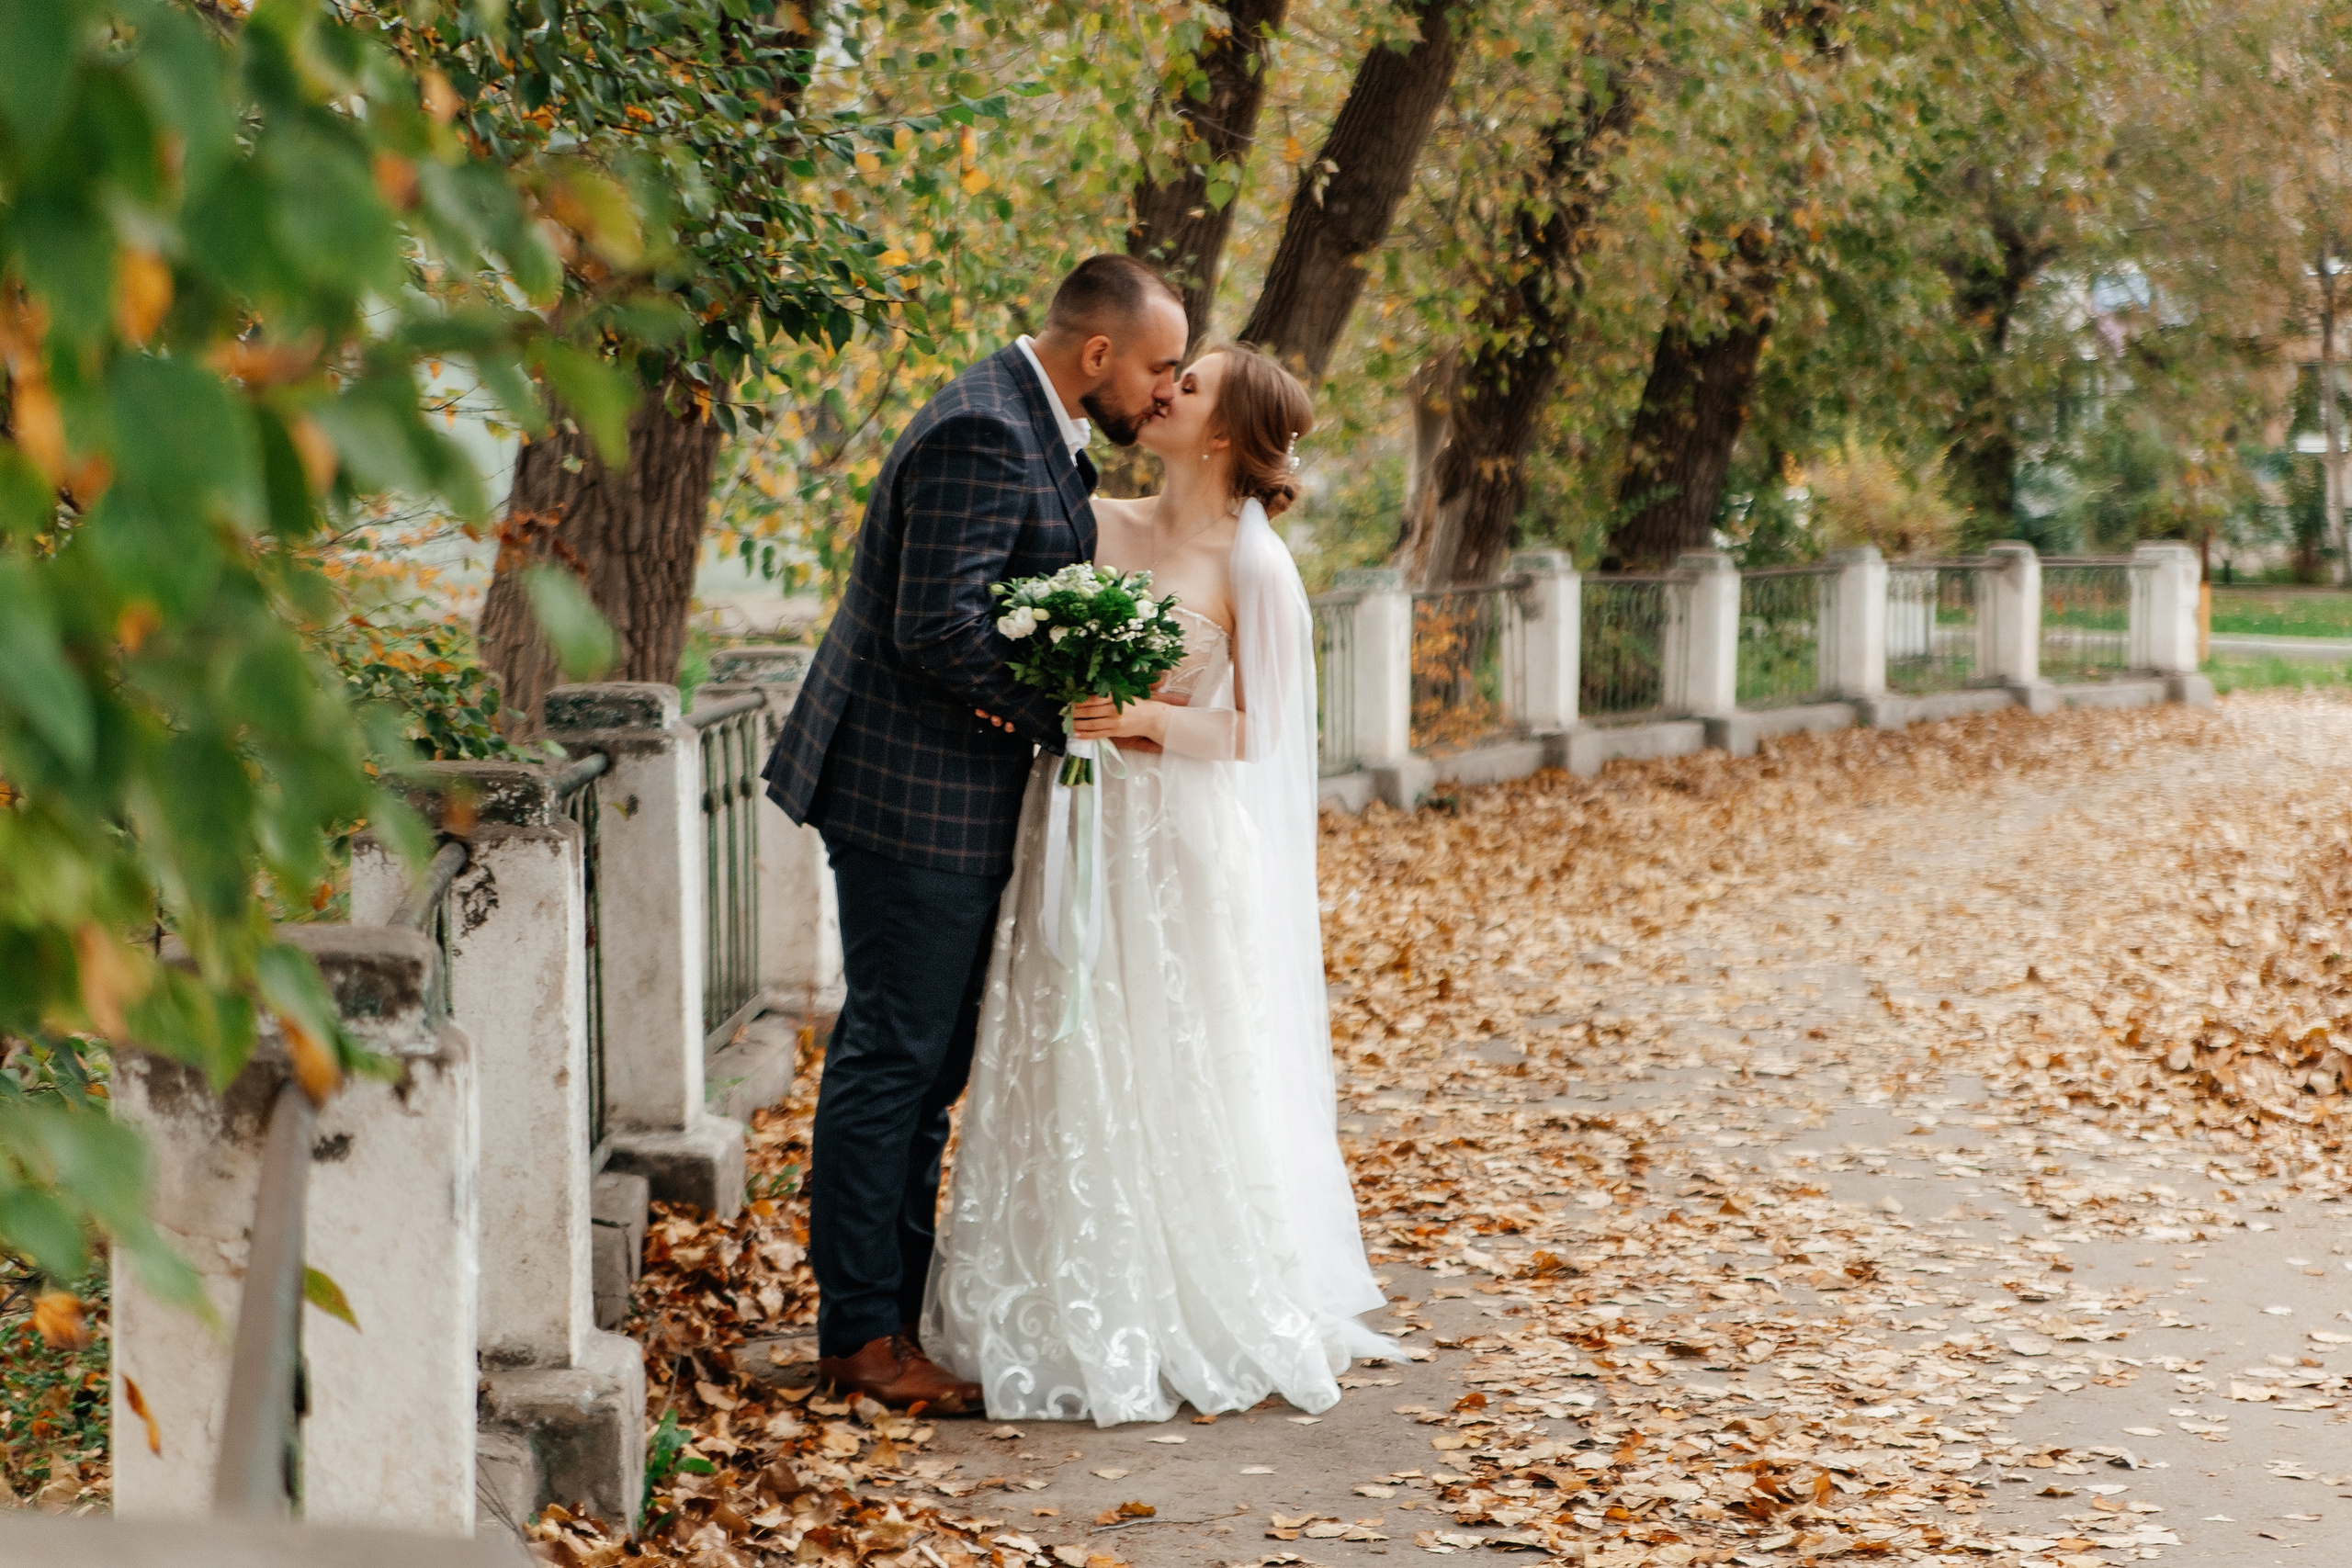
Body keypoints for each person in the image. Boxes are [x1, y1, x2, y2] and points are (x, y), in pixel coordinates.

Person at [922, 344, 1393, 1425]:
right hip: (1073, 818)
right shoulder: (1092, 521)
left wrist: (1142, 718)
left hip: (1176, 838)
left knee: (1175, 1051)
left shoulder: (1254, 564)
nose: (1166, 389)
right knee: (1065, 1044)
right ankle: (1047, 1300)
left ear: (1224, 434)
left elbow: (1263, 734)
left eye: (1192, 385)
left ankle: (1182, 1295)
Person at [763, 254, 1189, 1411]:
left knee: (925, 1065)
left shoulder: (1038, 428)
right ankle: (859, 1335)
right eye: (1158, 365)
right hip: (910, 800)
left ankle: (892, 1311)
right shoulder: (986, 432)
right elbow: (934, 628)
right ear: (1097, 353)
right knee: (891, 1058)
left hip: (951, 794)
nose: (1166, 388)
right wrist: (1068, 713)